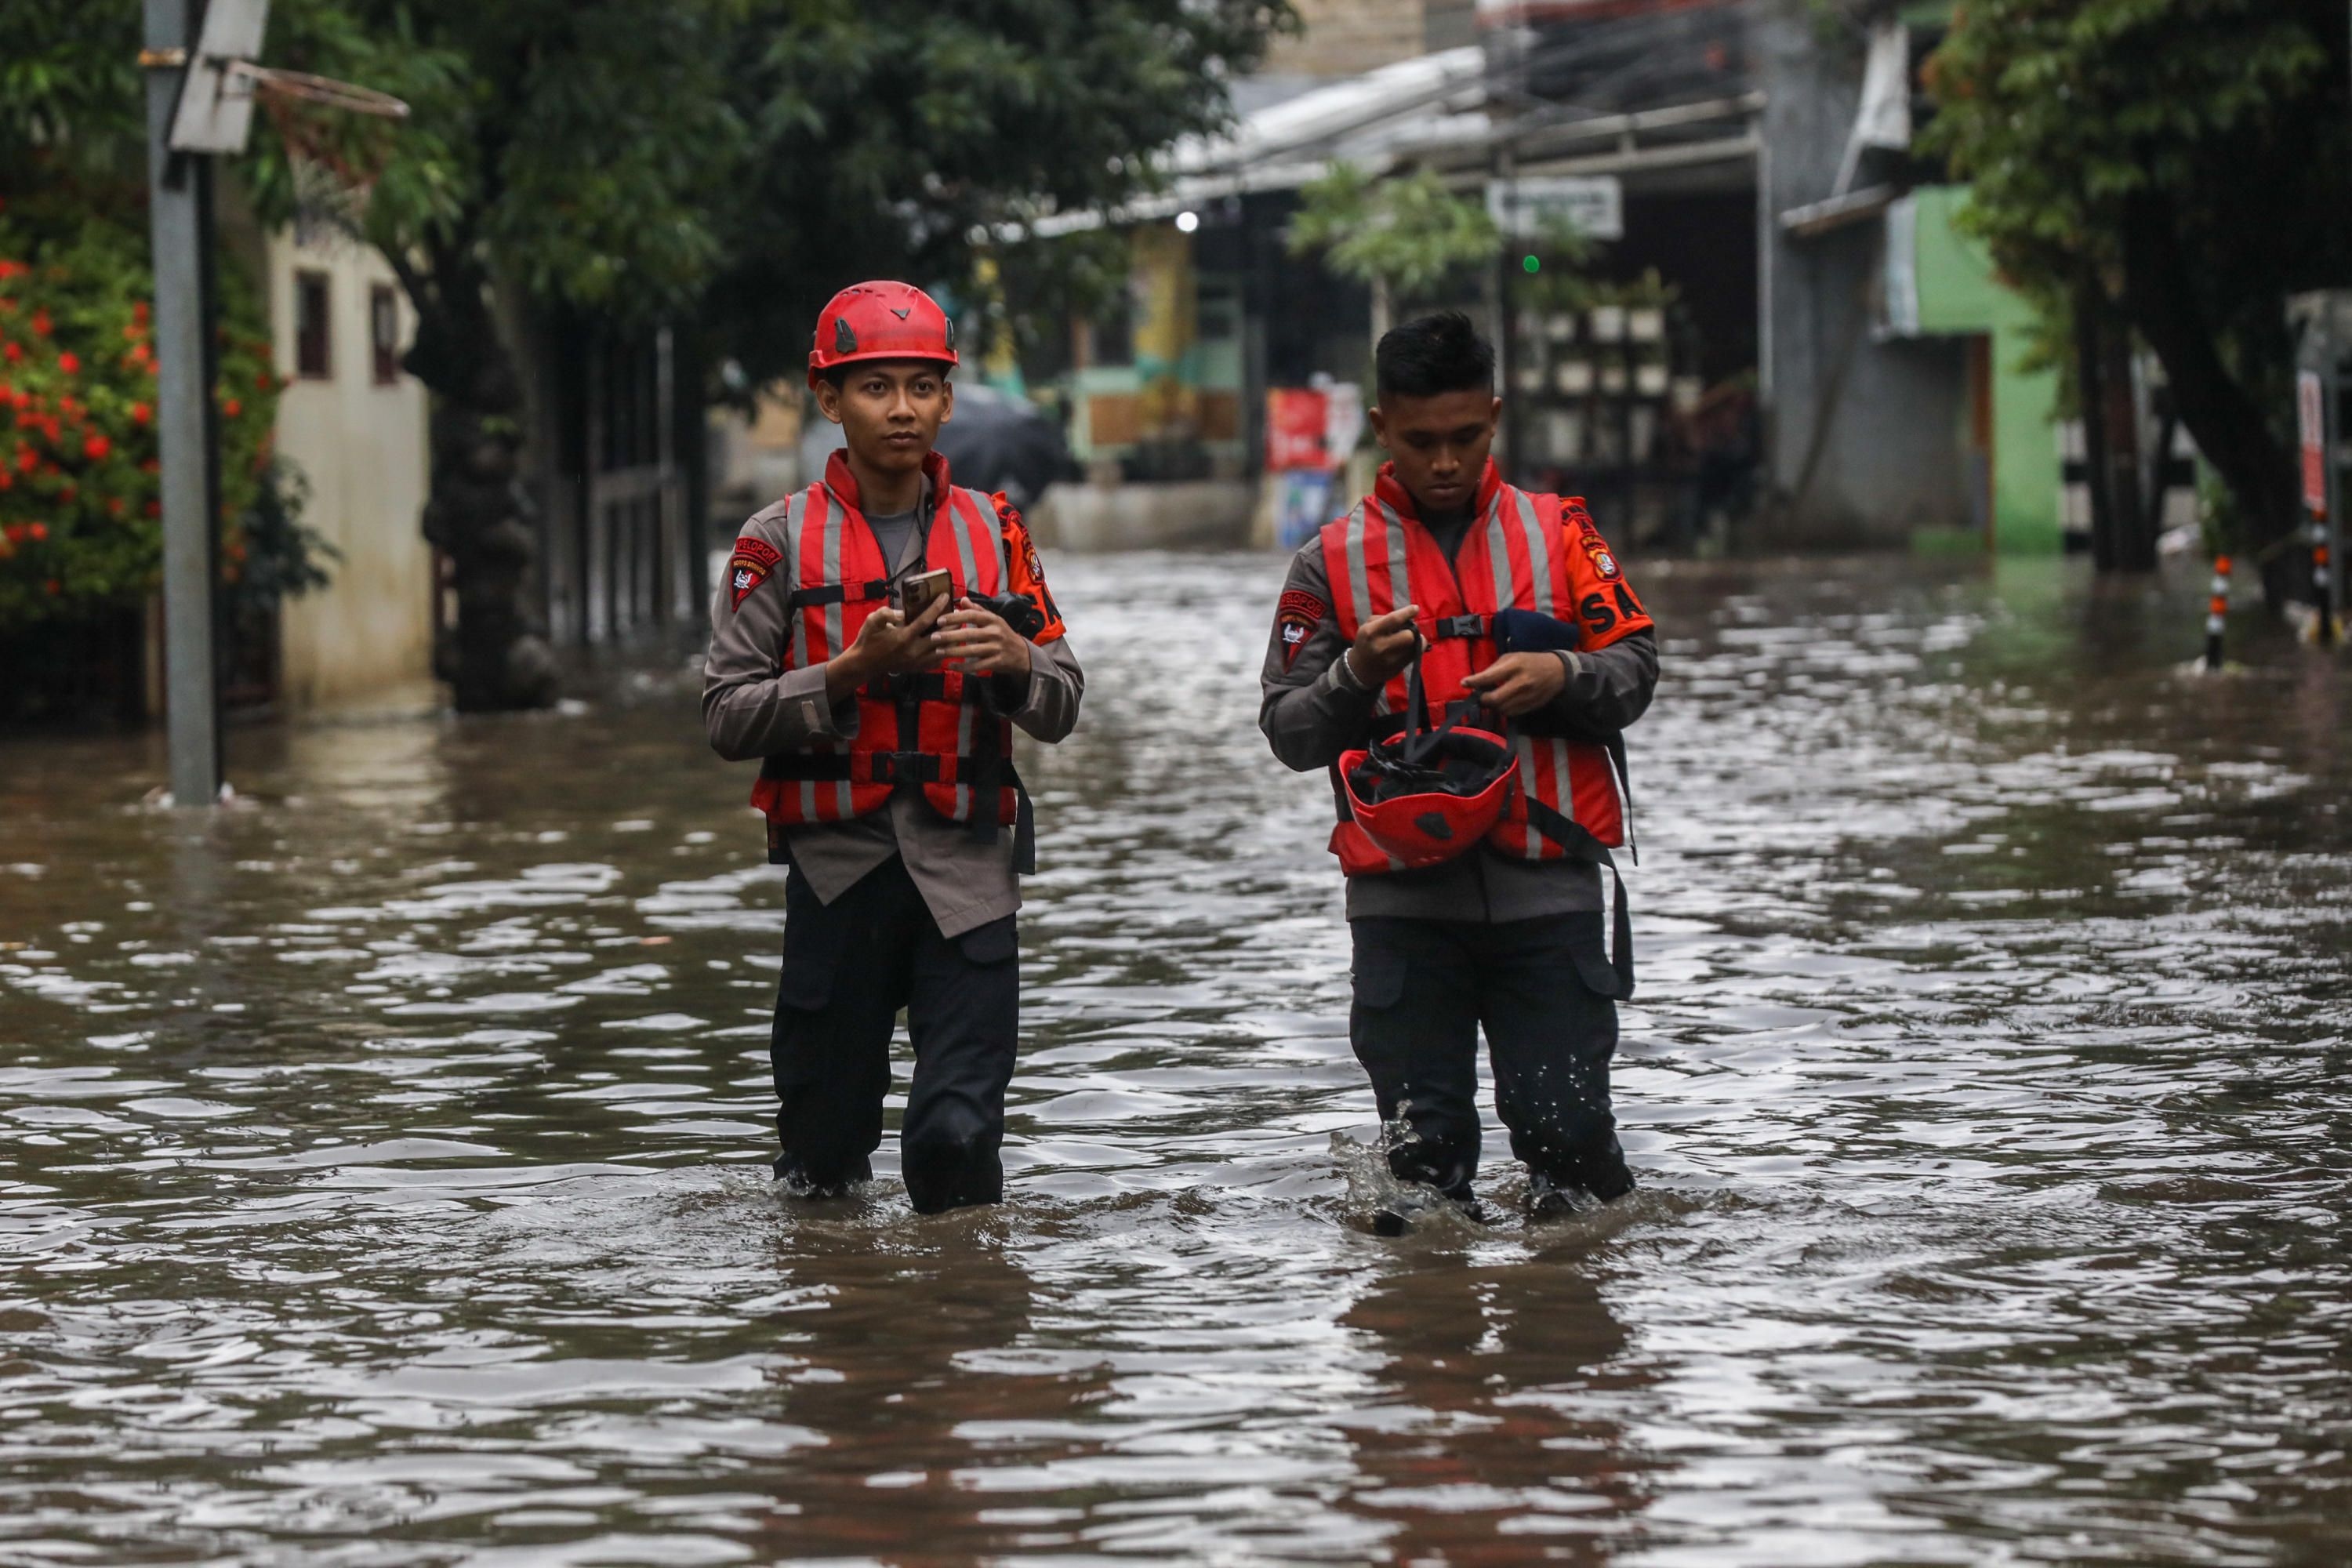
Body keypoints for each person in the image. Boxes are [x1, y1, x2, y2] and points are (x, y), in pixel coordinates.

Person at [1259, 310, 1657, 1225]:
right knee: (1421, 1172)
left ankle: (1566, 1307)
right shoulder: (1326, 564)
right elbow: (1287, 729)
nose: (1445, 462)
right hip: (1404, 908)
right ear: (1381, 427)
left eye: (1466, 438)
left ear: (1496, 417)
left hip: (1547, 891)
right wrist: (1357, 671)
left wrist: (1563, 673)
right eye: (1420, 441)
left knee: (1572, 1151)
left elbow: (1636, 669)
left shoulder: (1561, 533)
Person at [703, 281, 1083, 1214]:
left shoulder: (998, 530)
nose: (902, 408)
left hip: (968, 875)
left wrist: (1015, 660)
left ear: (947, 399)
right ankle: (848, 1301)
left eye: (921, 386)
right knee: (822, 1165)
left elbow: (1063, 700)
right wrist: (849, 671)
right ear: (829, 399)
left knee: (957, 1144)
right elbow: (726, 715)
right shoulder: (774, 541)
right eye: (876, 387)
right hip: (840, 875)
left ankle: (961, 1300)